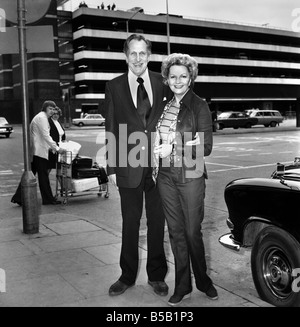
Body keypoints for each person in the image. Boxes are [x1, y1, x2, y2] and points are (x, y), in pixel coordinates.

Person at [103, 34, 171, 297]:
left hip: (158, 167)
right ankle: (127, 276)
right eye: (133, 53)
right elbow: (111, 128)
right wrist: (110, 167)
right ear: (125, 55)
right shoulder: (114, 86)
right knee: (130, 223)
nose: (138, 58)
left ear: (149, 55)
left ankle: (157, 276)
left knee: (157, 223)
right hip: (127, 166)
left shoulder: (162, 83)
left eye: (143, 53)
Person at [153, 53, 218, 306]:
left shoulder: (199, 105)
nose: (177, 81)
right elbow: (156, 137)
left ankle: (203, 280)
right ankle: (183, 285)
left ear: (191, 78)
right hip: (166, 176)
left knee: (192, 232)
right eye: (173, 76)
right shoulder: (164, 106)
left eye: (183, 76)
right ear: (167, 80)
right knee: (176, 233)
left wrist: (176, 147)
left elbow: (206, 145)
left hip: (191, 174)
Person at [11, 100, 66, 206]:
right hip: (39, 152)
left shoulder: (42, 117)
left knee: (32, 174)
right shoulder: (42, 118)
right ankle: (48, 199)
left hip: (37, 151)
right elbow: (46, 136)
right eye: (50, 108)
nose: (52, 111)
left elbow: (41, 136)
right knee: (43, 176)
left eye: (53, 109)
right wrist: (57, 148)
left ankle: (19, 197)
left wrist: (51, 148)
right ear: (44, 108)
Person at [48, 107, 66, 172]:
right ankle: (44, 182)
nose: (56, 115)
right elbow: (47, 136)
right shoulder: (49, 122)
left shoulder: (58, 122)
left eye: (57, 114)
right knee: (49, 167)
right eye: (54, 114)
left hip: (60, 147)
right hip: (52, 148)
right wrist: (52, 147)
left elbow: (62, 134)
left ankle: (61, 182)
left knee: (59, 168)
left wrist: (64, 141)